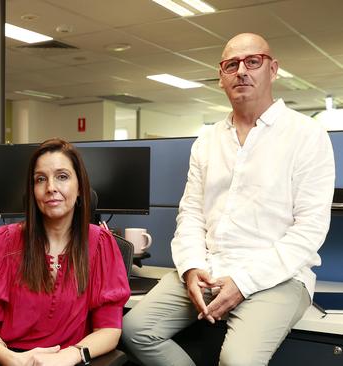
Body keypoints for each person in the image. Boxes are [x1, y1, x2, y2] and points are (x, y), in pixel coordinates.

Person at [121, 33, 335, 366]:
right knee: (135, 329)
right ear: (221, 77)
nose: (242, 71)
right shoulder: (207, 141)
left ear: (273, 69)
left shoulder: (306, 135)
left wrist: (243, 282)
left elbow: (309, 230)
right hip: (208, 269)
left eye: (253, 61)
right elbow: (191, 214)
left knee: (238, 361)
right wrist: (191, 268)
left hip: (278, 278)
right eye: (231, 64)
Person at [0, 138, 130, 366]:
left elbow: (109, 330)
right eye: (41, 179)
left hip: (67, 358)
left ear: (80, 187)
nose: (51, 187)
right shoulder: (5, 241)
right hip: (10, 357)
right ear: (32, 191)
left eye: (62, 176)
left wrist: (68, 357)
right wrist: (11, 358)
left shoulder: (101, 244)